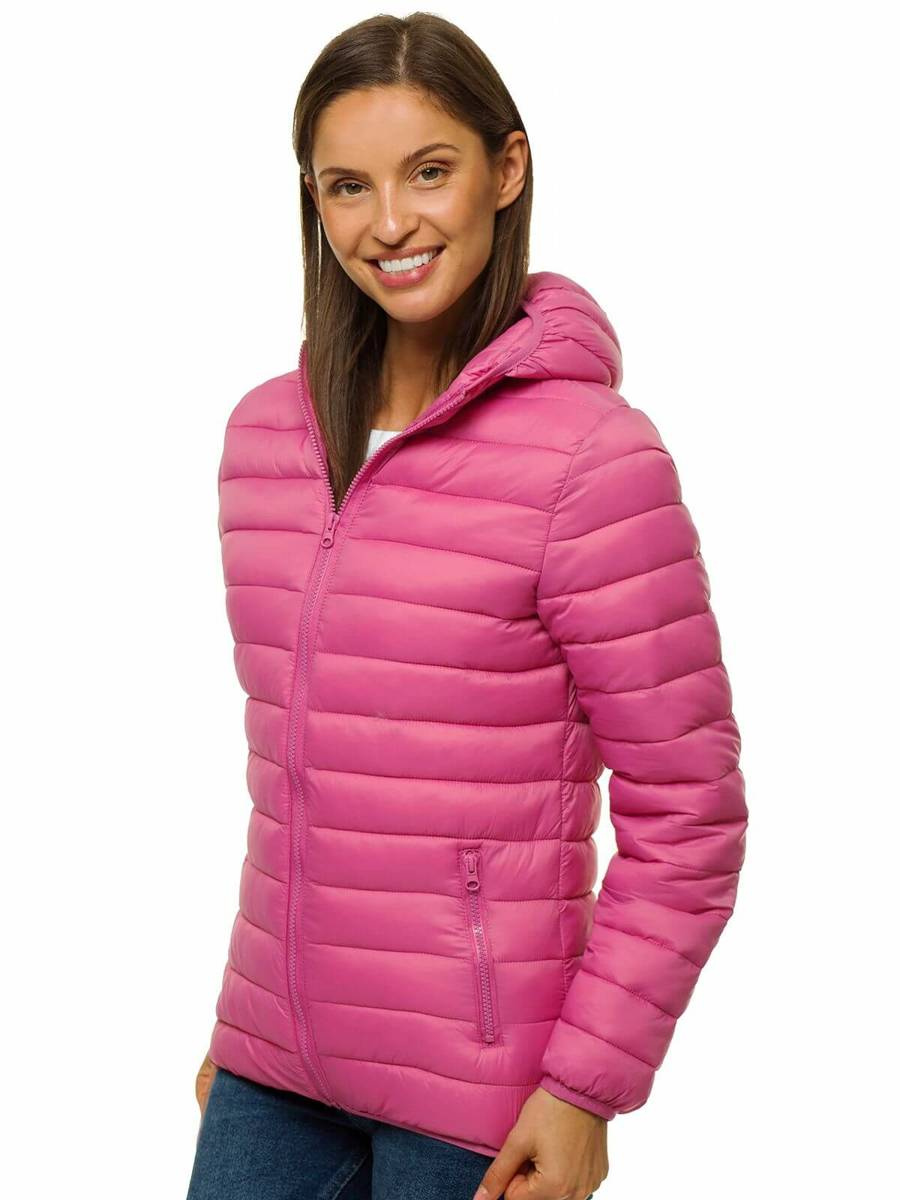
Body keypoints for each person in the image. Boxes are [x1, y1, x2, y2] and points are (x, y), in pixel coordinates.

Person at [186, 11, 748, 1200]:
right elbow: (294, 784)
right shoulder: (262, 440)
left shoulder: (592, 459)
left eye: (429, 171)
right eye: (348, 186)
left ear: (507, 168)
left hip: (484, 1107)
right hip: (272, 1070)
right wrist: (249, 1015)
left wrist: (586, 1088)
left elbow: (690, 814)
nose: (389, 223)